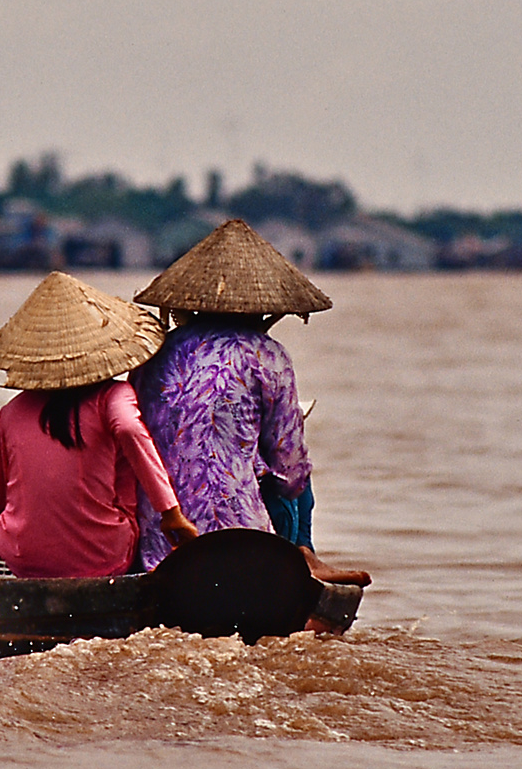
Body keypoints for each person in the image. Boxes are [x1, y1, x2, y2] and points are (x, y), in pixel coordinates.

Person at [130, 219, 372, 606]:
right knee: (295, 481)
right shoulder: (267, 355)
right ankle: (303, 556)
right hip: (240, 542)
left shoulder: (149, 353)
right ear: (267, 313)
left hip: (159, 537)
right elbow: (289, 466)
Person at [0, 271, 199, 579]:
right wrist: (170, 513)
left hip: (20, 556)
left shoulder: (10, 411)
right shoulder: (113, 396)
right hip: (102, 556)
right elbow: (130, 430)